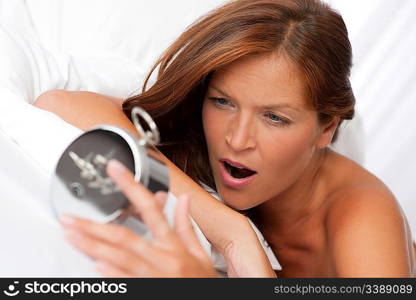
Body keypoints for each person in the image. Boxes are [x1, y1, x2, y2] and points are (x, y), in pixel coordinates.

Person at [35, 0, 415, 277]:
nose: (237, 139)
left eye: (274, 117)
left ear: (327, 129)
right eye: (223, 102)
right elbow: (61, 104)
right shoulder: (201, 137)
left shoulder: (361, 216)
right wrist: (232, 232)